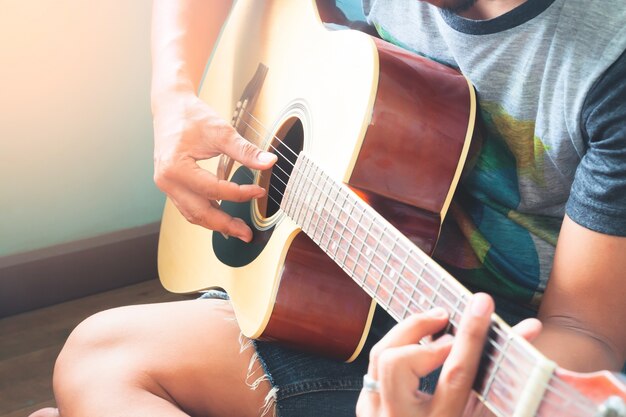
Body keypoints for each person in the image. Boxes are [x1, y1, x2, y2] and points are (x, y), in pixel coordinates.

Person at [30, 0, 626, 416]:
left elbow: (587, 332)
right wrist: (173, 98)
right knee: (99, 357)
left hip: (486, 334)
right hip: (332, 277)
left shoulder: (609, 59)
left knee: (98, 366)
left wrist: (463, 396)